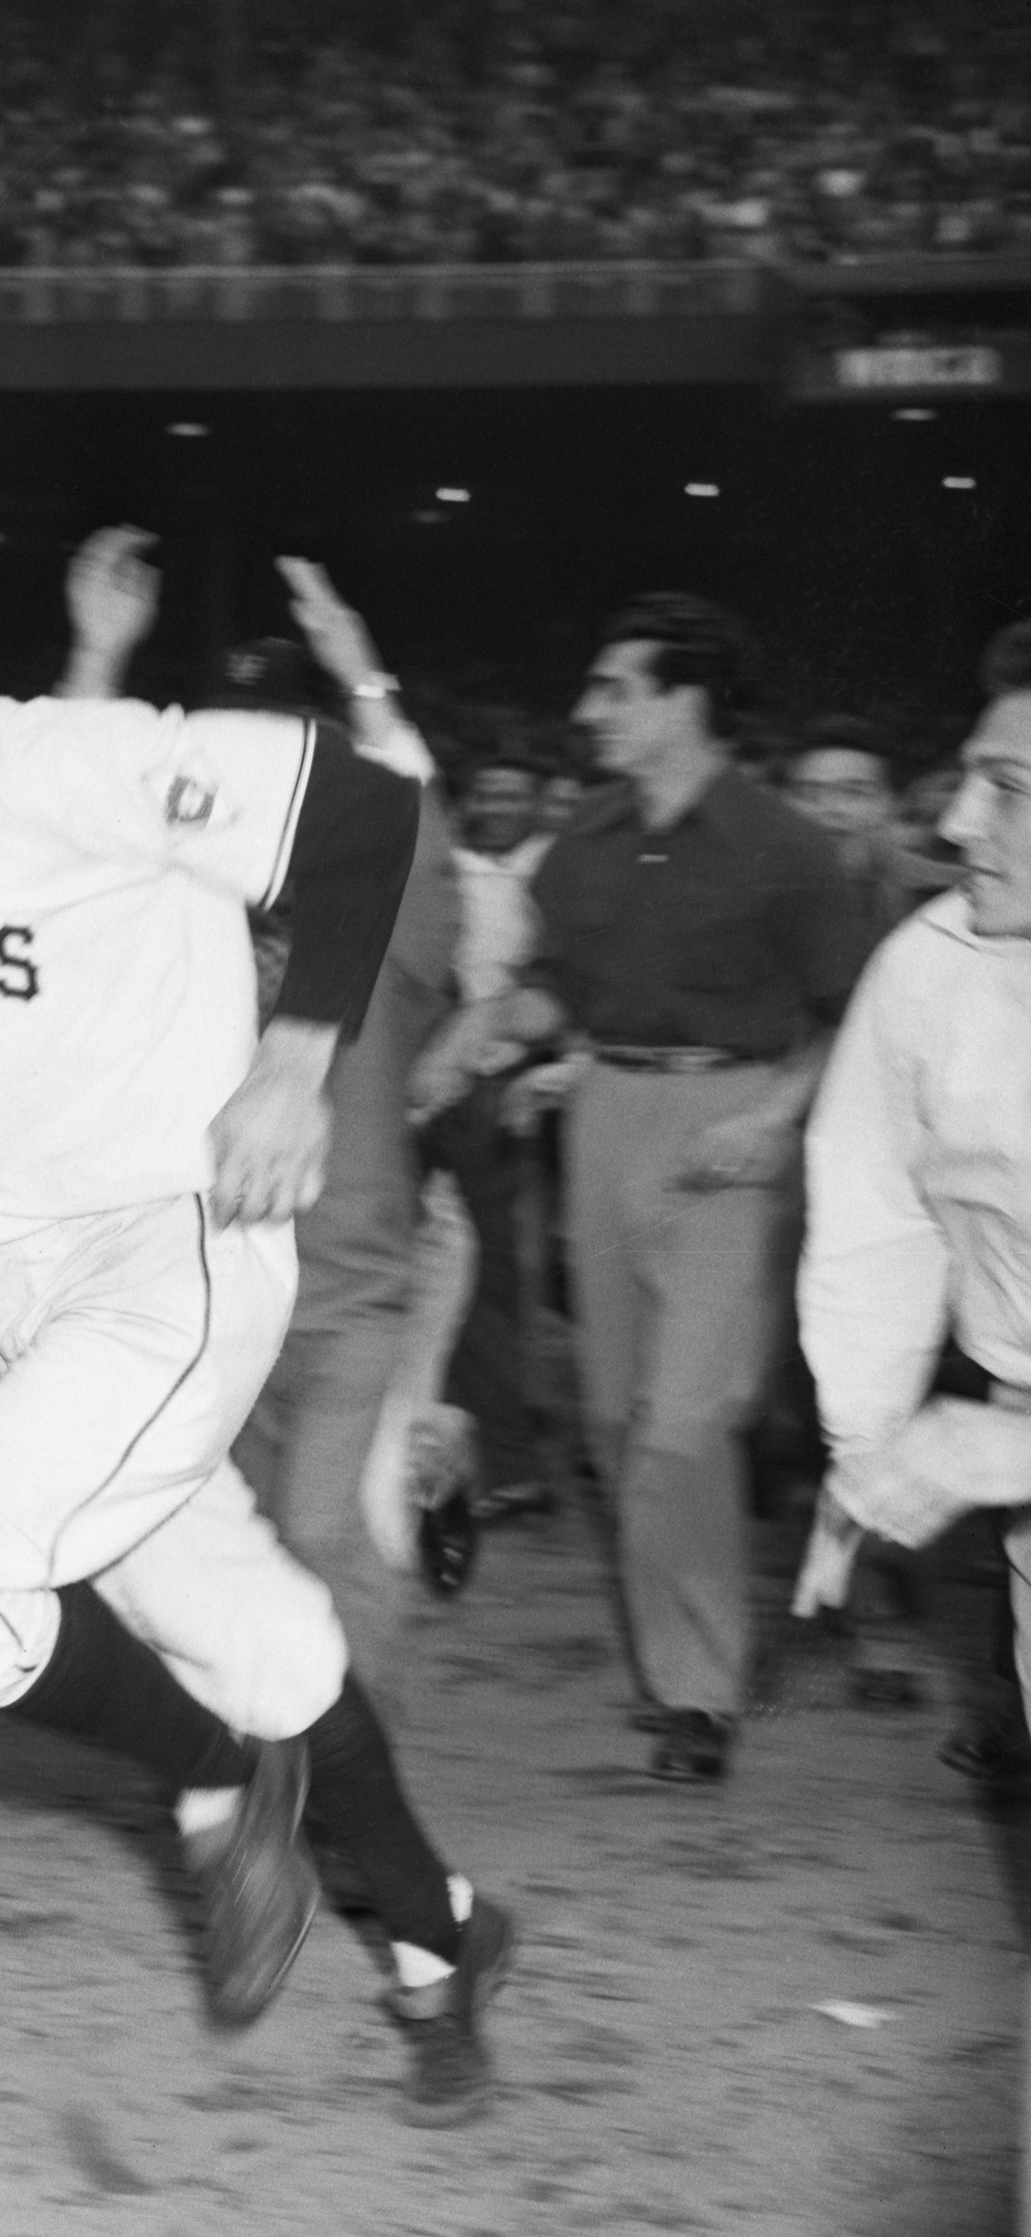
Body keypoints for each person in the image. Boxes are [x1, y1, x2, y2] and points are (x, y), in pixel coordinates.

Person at [0, 487, 512, 2123]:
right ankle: (443, 1942)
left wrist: (295, 1057)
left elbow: (363, 819)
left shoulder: (59, 765)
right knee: (262, 1637)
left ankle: (213, 1790)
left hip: (162, 1246)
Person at [452, 597, 874, 1782]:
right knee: (615, 1419)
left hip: (728, 1131)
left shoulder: (786, 848)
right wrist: (488, 1031)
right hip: (604, 1119)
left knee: (683, 1428)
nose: (589, 711)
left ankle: (699, 1691)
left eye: (614, 689)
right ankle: (680, 1669)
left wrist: (774, 1119)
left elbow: (851, 1021)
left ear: (685, 702)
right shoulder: (579, 843)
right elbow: (556, 997)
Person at [73, 571, 463, 1706]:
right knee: (227, 1534)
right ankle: (266, 1760)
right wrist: (98, 660)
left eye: (296, 748)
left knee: (321, 1525)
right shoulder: (182, 906)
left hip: (349, 1283)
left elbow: (419, 809)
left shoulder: (389, 899)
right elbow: (71, 829)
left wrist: (363, 676)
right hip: (210, 1279)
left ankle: (355, 1775)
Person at [798, 626, 1031, 1783]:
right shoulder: (934, 964)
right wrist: (867, 1445)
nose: (955, 824)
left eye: (1012, 791)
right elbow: (876, 1210)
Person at [411, 745, 558, 1523]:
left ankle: (505, 1459)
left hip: (497, 1090)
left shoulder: (552, 869)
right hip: (430, 1081)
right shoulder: (446, 864)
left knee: (487, 1281)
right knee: (449, 1279)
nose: (498, 803)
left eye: (515, 790)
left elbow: (553, 987)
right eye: (487, 789)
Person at [785, 723, 956, 941]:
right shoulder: (757, 897)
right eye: (808, 793)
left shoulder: (944, 897)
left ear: (893, 802)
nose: (829, 809)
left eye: (853, 792)